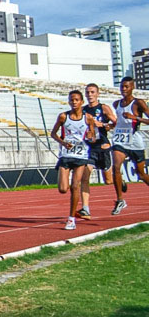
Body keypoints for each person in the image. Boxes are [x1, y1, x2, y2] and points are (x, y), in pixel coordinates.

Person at [51, 90, 95, 230]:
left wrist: (90, 136)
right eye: (71, 100)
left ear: (82, 102)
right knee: (63, 189)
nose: (74, 102)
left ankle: (71, 219)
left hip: (81, 156)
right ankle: (73, 201)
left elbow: (92, 137)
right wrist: (63, 143)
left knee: (75, 186)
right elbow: (53, 133)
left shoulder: (88, 118)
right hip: (66, 155)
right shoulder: (63, 116)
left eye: (76, 100)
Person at [110, 76, 149, 215]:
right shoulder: (116, 104)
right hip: (120, 140)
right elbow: (119, 121)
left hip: (135, 141)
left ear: (132, 87)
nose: (124, 89)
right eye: (122, 87)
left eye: (126, 87)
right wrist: (110, 126)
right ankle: (120, 200)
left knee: (141, 174)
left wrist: (136, 118)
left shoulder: (139, 103)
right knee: (115, 166)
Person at [78, 83, 117, 218]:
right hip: (89, 148)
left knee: (108, 181)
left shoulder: (104, 108)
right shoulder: (82, 111)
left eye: (92, 92)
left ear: (98, 94)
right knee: (84, 178)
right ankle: (85, 209)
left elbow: (116, 123)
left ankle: (120, 180)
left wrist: (105, 125)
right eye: (88, 92)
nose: (90, 95)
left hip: (103, 147)